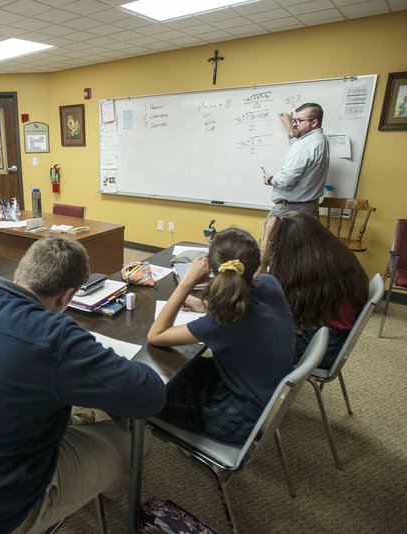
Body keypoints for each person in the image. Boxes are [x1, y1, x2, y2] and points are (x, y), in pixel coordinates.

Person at [0, 237, 165, 534]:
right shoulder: (56, 337)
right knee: (138, 441)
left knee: (58, 410)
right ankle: (104, 491)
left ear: (22, 272)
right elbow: (150, 395)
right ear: (66, 298)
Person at [148, 228, 295, 444]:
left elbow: (156, 335)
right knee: (178, 368)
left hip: (240, 418)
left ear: (211, 269)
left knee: (143, 391)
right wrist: (204, 305)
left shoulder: (227, 320)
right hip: (261, 392)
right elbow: (244, 298)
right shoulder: (269, 283)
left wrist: (187, 283)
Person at [261, 211, 369, 370]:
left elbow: (262, 294)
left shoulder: (308, 272)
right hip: (328, 334)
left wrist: (263, 255)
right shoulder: (328, 256)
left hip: (322, 349)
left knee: (252, 335)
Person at [262, 102, 330, 236]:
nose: (295, 124)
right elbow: (299, 147)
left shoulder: (303, 147)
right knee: (297, 251)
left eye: (299, 120)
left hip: (289, 210)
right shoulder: (321, 140)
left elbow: (285, 181)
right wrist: (289, 126)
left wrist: (270, 179)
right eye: (295, 120)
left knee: (271, 249)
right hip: (309, 207)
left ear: (314, 122)